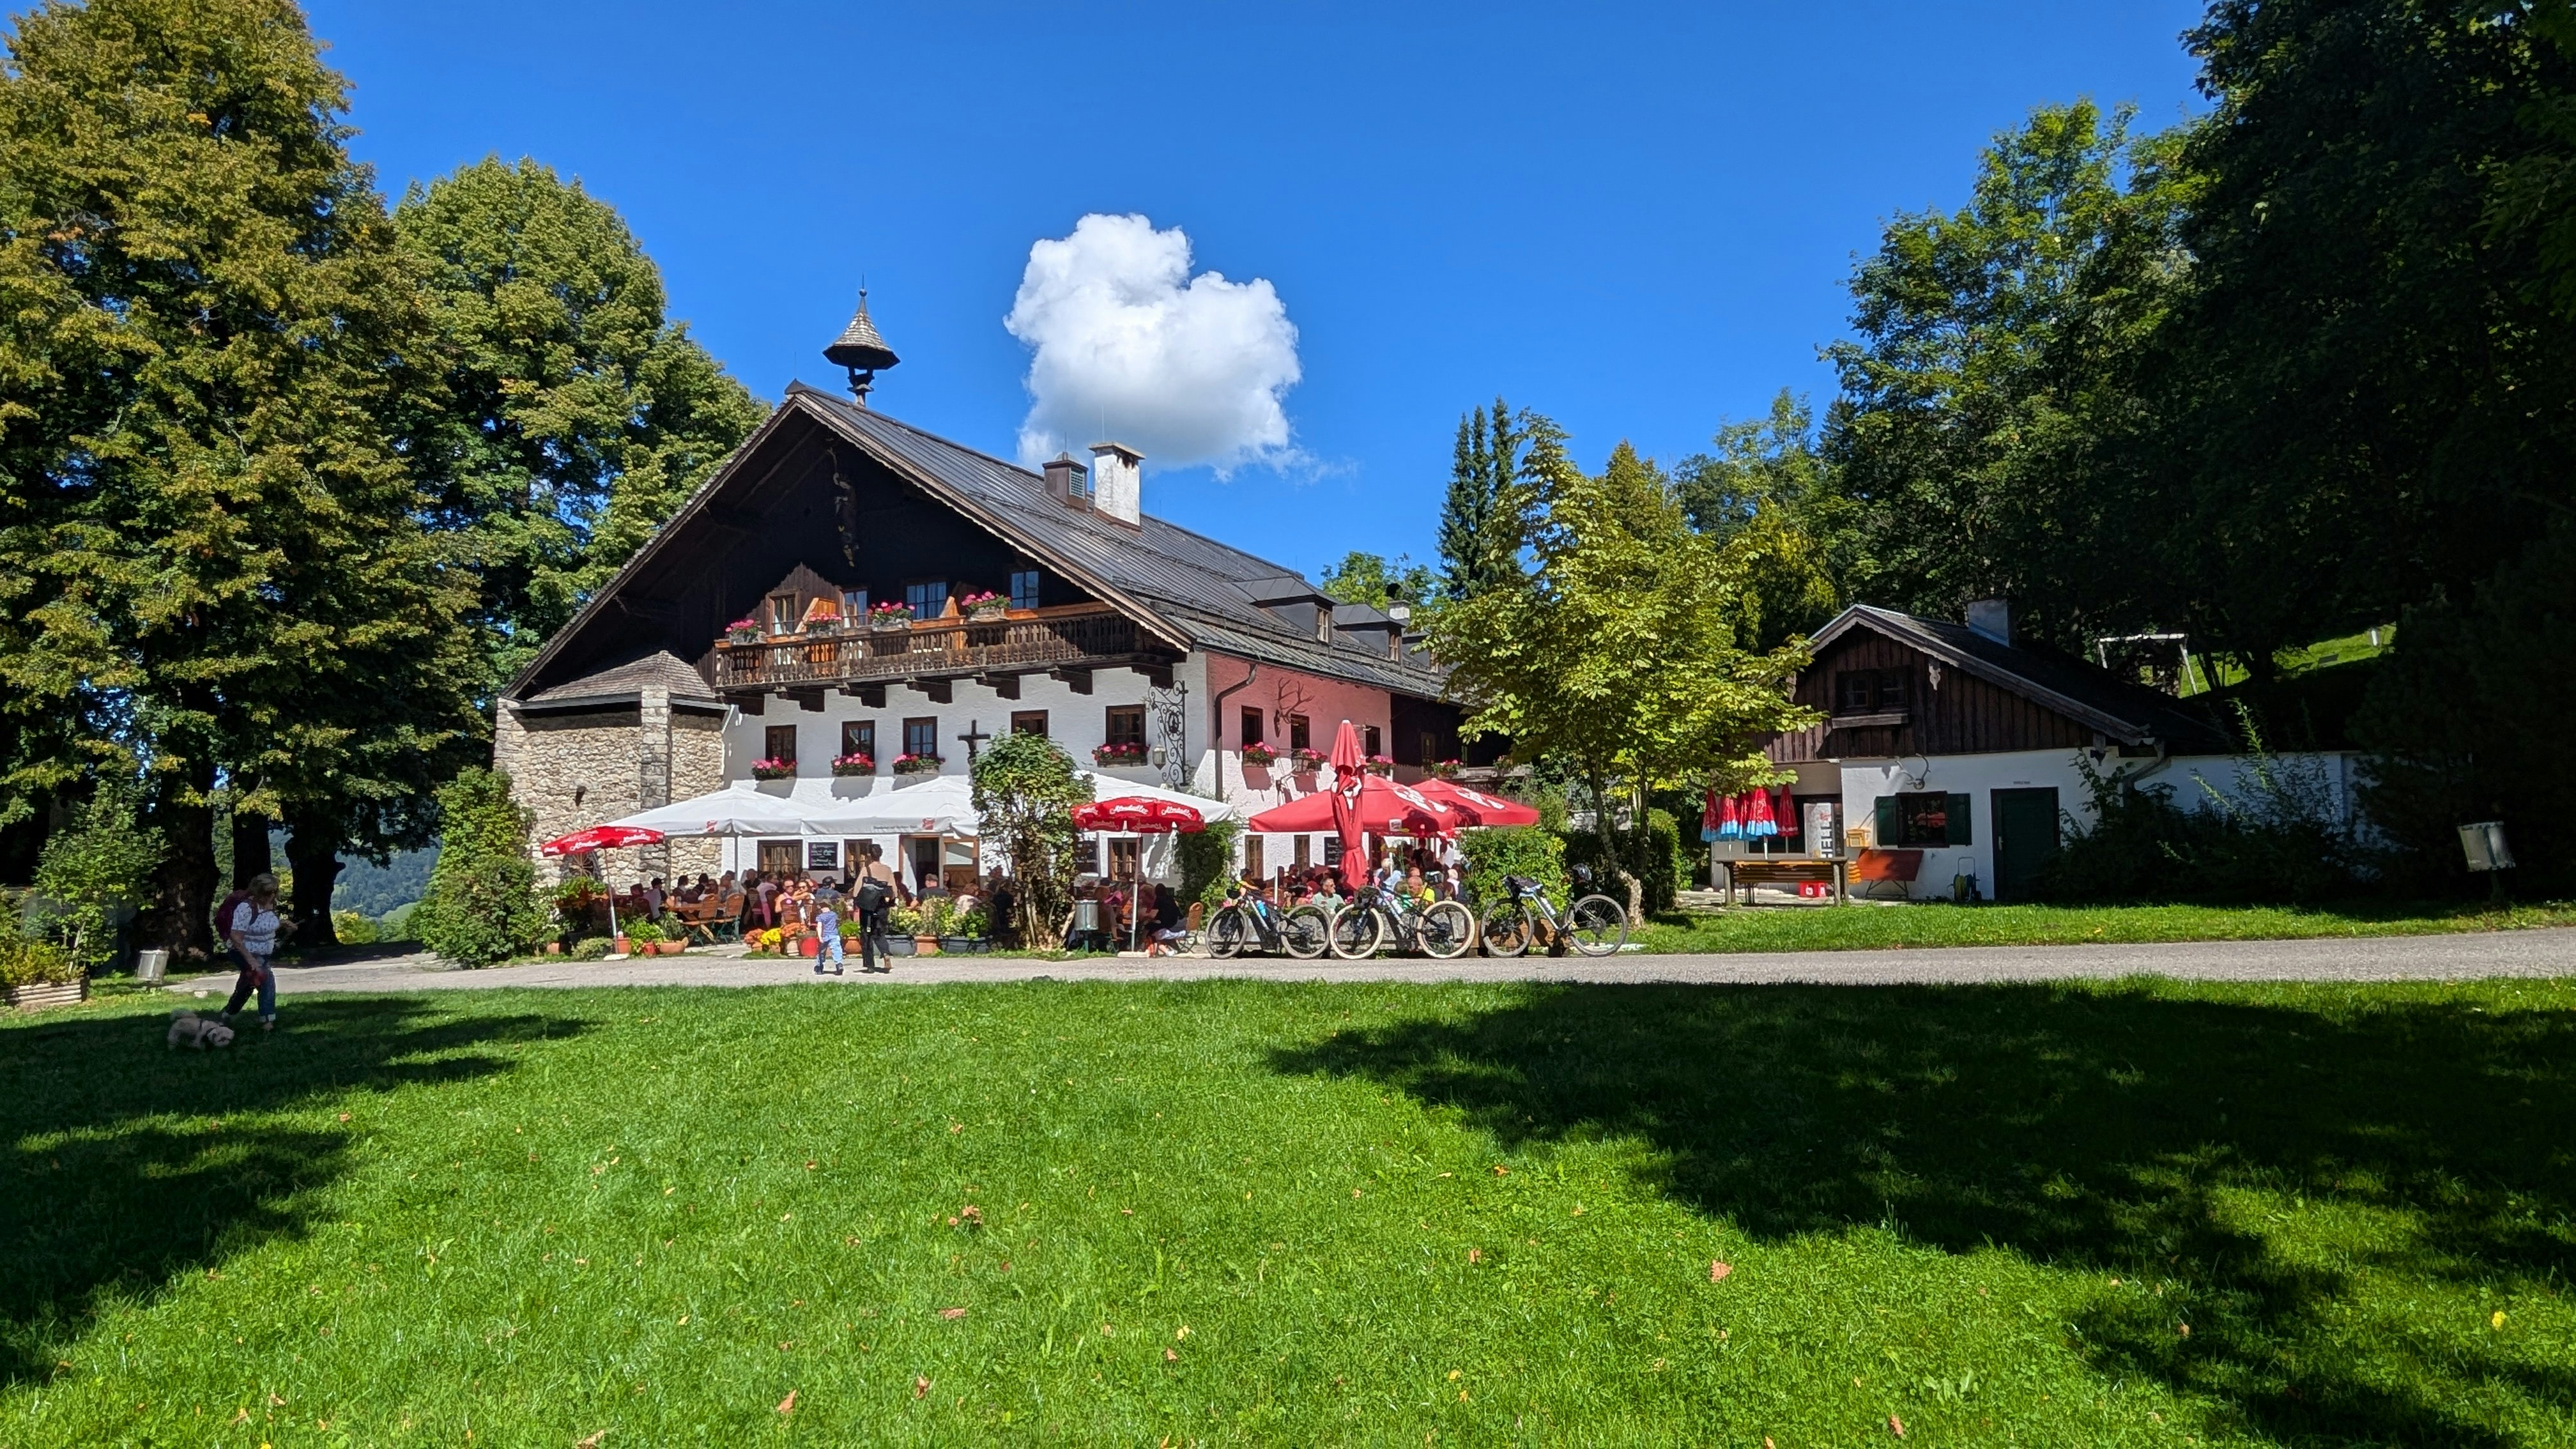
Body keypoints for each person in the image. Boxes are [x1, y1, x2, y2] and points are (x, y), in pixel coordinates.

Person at [220, 873, 286, 1032]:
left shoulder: (269, 906)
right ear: (257, 892)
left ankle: (228, 1014)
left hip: (263, 953)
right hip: (243, 951)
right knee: (265, 977)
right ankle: (267, 1021)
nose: (271, 896)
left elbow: (264, 927)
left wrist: (283, 924)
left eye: (273, 892)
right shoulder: (246, 908)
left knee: (249, 984)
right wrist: (252, 961)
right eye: (267, 893)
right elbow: (236, 937)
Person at [852, 841, 899, 973]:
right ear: (881, 855)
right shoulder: (888, 870)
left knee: (866, 934)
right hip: (882, 907)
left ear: (869, 855)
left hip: (868, 908)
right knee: (879, 932)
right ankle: (885, 953)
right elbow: (894, 890)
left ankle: (870, 965)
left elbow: (856, 891)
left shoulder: (866, 870)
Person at [1146, 882, 1186, 958]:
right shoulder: (1170, 899)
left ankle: (1153, 949)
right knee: (1153, 928)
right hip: (1175, 924)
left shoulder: (1158, 900)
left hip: (1166, 926)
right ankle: (1172, 949)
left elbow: (1153, 914)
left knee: (1149, 929)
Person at [813, 893, 844, 976]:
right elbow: (837, 924)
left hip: (824, 936)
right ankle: (839, 964)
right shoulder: (834, 915)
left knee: (821, 952)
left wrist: (820, 937)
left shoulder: (821, 917)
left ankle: (819, 967)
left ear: (821, 907)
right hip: (834, 935)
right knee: (836, 950)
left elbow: (819, 927)